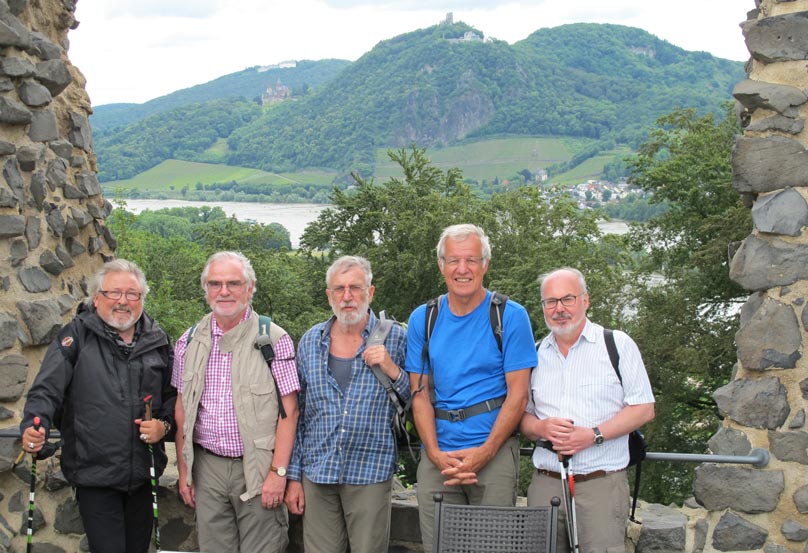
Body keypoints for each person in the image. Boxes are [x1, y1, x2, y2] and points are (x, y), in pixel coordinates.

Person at [20, 259, 175, 553]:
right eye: (113, 293)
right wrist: (33, 426)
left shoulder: (157, 339)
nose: (123, 301)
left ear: (142, 298)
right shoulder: (76, 336)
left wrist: (163, 426)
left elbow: (172, 396)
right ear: (96, 297)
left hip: (144, 474)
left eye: (132, 294)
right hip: (95, 473)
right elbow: (45, 391)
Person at [405, 223, 537, 550]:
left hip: (493, 454)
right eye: (453, 261)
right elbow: (419, 395)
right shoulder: (424, 318)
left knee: (491, 548)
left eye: (471, 260)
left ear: (485, 265)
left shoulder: (510, 316)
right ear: (441, 265)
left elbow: (518, 396)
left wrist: (485, 452)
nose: (462, 269)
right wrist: (434, 453)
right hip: (440, 457)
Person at [520, 267, 655, 553]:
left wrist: (592, 435)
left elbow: (643, 408)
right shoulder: (533, 354)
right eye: (550, 302)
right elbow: (521, 417)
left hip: (601, 485)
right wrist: (541, 428)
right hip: (546, 485)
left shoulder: (616, 344)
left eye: (567, 299)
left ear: (585, 300)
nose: (559, 309)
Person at [172, 251, 300, 553]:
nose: (224, 291)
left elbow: (290, 411)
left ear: (250, 287)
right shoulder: (188, 342)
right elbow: (182, 412)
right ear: (205, 289)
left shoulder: (273, 339)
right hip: (208, 469)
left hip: (258, 468)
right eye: (215, 283)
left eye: (233, 283)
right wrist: (184, 473)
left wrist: (278, 473)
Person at [285, 255, 408, 553]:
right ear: (329, 295)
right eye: (339, 289)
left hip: (370, 471)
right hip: (318, 473)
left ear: (371, 292)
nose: (347, 296)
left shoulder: (397, 338)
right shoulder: (311, 341)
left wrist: (392, 370)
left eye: (355, 287)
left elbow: (419, 400)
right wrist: (293, 477)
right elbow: (298, 414)